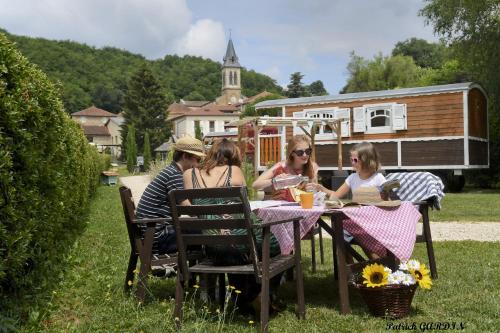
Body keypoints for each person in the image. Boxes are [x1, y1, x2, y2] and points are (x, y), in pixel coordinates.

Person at [183, 138, 282, 314]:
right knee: (272, 246)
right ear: (233, 157)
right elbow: (246, 209)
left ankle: (242, 300)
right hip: (243, 247)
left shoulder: (189, 175)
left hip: (213, 249)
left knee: (236, 245)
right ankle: (254, 296)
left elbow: (192, 212)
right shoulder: (234, 171)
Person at [316, 141, 386, 260]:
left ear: (367, 160)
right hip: (357, 222)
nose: (352, 164)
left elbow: (386, 202)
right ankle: (350, 269)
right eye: (351, 160)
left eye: (355, 160)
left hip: (374, 223)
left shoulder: (378, 179)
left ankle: (378, 266)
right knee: (339, 232)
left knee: (359, 236)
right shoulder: (352, 178)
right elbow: (335, 196)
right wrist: (322, 189)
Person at [135, 136, 205, 255]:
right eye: (197, 160)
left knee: (199, 229)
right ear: (184, 156)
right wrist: (211, 213)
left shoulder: (170, 171)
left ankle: (191, 271)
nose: (198, 165)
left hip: (151, 234)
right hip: (158, 238)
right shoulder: (175, 175)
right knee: (206, 232)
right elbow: (186, 208)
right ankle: (197, 271)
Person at [252, 134, 318, 201]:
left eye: (308, 151)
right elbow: (255, 185)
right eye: (300, 152)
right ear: (292, 153)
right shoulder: (281, 166)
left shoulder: (312, 167)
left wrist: (312, 190)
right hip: (280, 207)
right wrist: (275, 180)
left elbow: (314, 191)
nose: (305, 155)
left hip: (302, 207)